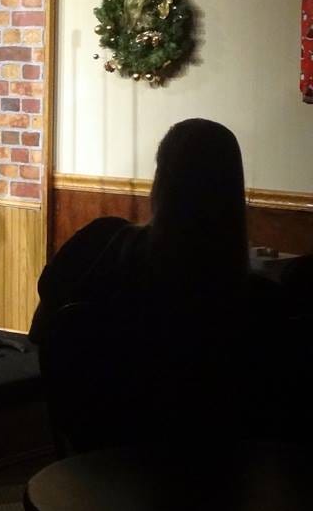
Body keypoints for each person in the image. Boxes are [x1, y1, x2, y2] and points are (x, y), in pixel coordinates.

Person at [30, 118, 289, 450]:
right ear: (233, 192)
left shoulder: (95, 248)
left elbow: (42, 334)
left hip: (99, 462)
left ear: (160, 180)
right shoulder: (260, 305)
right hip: (218, 476)